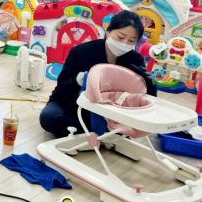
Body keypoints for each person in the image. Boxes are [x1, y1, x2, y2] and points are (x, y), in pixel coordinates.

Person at [39, 10, 156, 138]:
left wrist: (148, 80)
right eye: (121, 37)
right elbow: (62, 88)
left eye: (131, 41)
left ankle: (97, 132)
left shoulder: (134, 59)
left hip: (110, 111)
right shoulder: (81, 52)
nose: (124, 44)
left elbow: (146, 97)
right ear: (108, 30)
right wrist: (78, 80)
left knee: (129, 125)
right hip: (73, 104)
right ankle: (104, 133)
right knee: (49, 117)